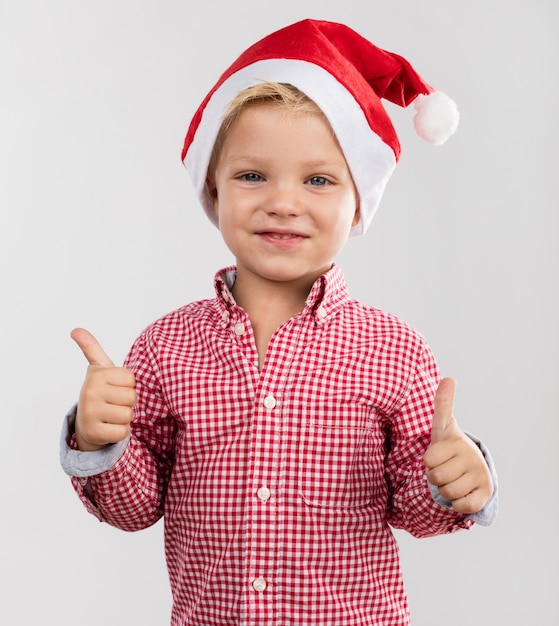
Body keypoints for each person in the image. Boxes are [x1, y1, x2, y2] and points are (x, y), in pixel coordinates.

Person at [61, 19, 498, 626]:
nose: (283, 201)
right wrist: (101, 438)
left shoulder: (393, 349)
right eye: (252, 175)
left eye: (318, 179)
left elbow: (417, 513)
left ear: (359, 200)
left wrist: (456, 481)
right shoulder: (164, 347)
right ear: (214, 188)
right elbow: (134, 509)